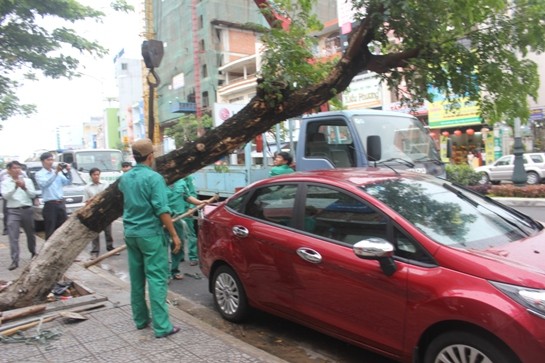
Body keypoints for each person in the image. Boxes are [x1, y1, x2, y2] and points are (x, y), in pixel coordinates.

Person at [118, 138, 182, 338]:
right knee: (156, 279)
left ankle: (140, 319)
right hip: (150, 235)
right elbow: (161, 210)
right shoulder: (154, 178)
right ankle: (162, 327)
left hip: (131, 233)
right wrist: (174, 235)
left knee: (137, 279)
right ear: (151, 156)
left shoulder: (125, 178)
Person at [167, 175, 206, 280]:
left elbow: (187, 196)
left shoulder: (181, 182)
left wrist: (199, 203)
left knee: (178, 244)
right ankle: (164, 273)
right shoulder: (158, 182)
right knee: (161, 246)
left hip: (178, 218)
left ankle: (174, 270)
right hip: (162, 219)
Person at [1, 161, 37, 270]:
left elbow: (33, 194)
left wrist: (24, 187)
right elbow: (6, 196)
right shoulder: (5, 182)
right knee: (13, 236)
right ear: (9, 170)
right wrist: (15, 187)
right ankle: (15, 260)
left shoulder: (27, 181)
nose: (17, 170)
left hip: (26, 209)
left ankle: (33, 252)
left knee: (30, 234)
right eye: (14, 168)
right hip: (13, 211)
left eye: (19, 168)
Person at [35, 152, 72, 240]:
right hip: (50, 204)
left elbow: (67, 182)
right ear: (43, 161)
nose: (51, 162)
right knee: (50, 229)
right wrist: (55, 173)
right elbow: (44, 184)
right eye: (48, 160)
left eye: (52, 159)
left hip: (60, 202)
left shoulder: (58, 173)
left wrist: (68, 171)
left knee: (63, 228)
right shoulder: (39, 174)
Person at [84, 168, 117, 259]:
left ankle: (110, 248)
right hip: (95, 212)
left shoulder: (105, 184)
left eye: (98, 174)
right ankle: (95, 251)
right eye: (94, 175)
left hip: (105, 210)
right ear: (91, 176)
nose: (96, 176)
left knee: (108, 231)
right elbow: (86, 201)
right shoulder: (87, 187)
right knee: (94, 233)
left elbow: (107, 195)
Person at [0, 166, 9, 235]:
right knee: (6, 213)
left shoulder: (20, 173)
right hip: (6, 195)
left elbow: (25, 177)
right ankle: (6, 229)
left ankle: (16, 228)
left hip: (16, 196)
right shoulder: (3, 173)